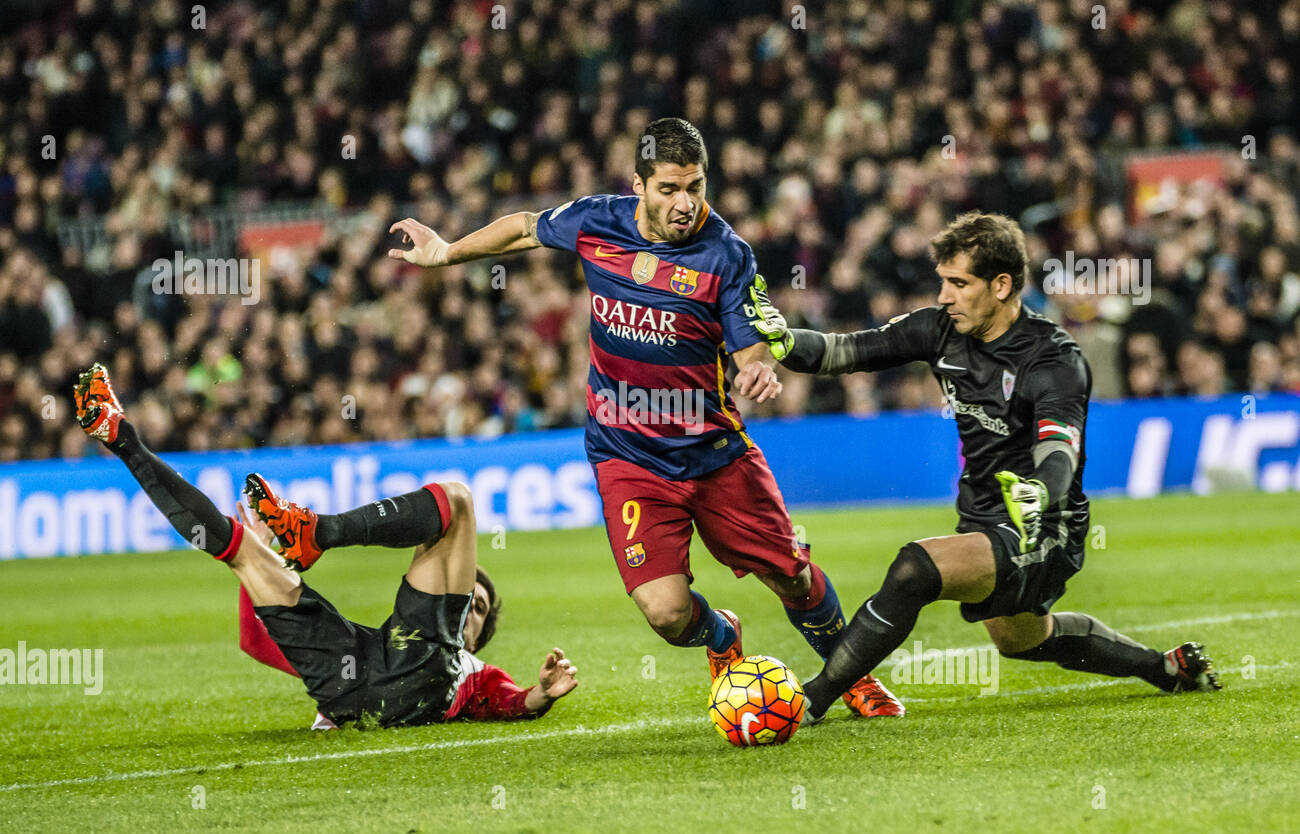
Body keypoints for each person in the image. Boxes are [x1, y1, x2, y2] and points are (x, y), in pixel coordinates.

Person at [387, 116, 900, 718]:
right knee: (666, 612)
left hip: (713, 452)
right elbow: (524, 229)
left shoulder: (727, 254)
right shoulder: (596, 221)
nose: (685, 203)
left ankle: (851, 676)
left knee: (790, 575)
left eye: (696, 187)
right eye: (670, 189)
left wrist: (756, 367)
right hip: (626, 456)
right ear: (639, 185)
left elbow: (751, 340)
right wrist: (447, 251)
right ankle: (723, 636)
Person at [761, 211, 1221, 721]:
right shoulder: (939, 330)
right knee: (1022, 640)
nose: (944, 296)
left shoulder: (1053, 359)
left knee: (915, 569)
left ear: (1001, 285)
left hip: (1042, 525)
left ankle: (811, 700)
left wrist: (1040, 493)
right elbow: (845, 351)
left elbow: (1059, 448)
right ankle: (1164, 668)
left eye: (959, 284)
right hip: (982, 513)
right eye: (943, 282)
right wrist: (783, 339)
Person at [73, 363, 578, 729]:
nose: (469, 610)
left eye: (478, 607)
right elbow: (256, 641)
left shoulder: (475, 673)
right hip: (350, 681)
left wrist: (543, 694)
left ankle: (314, 532)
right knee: (241, 548)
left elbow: (515, 701)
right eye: (471, 599)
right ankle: (123, 439)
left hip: (411, 667)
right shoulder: (411, 647)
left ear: (484, 632)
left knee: (456, 500)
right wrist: (264, 559)